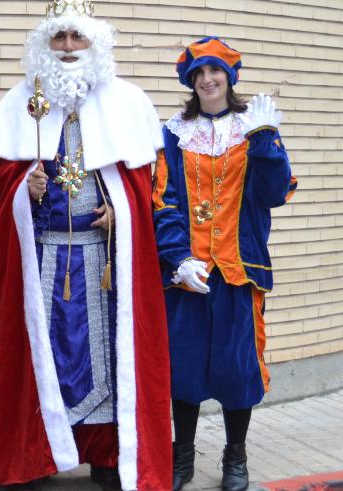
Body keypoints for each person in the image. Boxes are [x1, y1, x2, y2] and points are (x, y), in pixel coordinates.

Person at [0, 1, 172, 489]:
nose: (67, 48)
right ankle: (34, 456)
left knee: (105, 355)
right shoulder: (23, 101)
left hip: (102, 260)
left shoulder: (126, 102)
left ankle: (107, 454)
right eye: (58, 38)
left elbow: (141, 187)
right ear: (44, 44)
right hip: (41, 254)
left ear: (94, 44)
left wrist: (119, 213)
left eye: (76, 38)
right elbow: (1, 185)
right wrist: (26, 190)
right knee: (38, 353)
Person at [153, 37, 296, 491]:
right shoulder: (173, 134)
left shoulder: (253, 127)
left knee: (239, 370)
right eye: (199, 74)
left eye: (215, 72)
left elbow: (273, 194)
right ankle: (182, 457)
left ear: (229, 78)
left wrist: (267, 142)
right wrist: (177, 260)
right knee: (185, 368)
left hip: (239, 271)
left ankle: (236, 457)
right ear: (190, 82)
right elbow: (164, 201)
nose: (207, 80)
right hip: (188, 277)